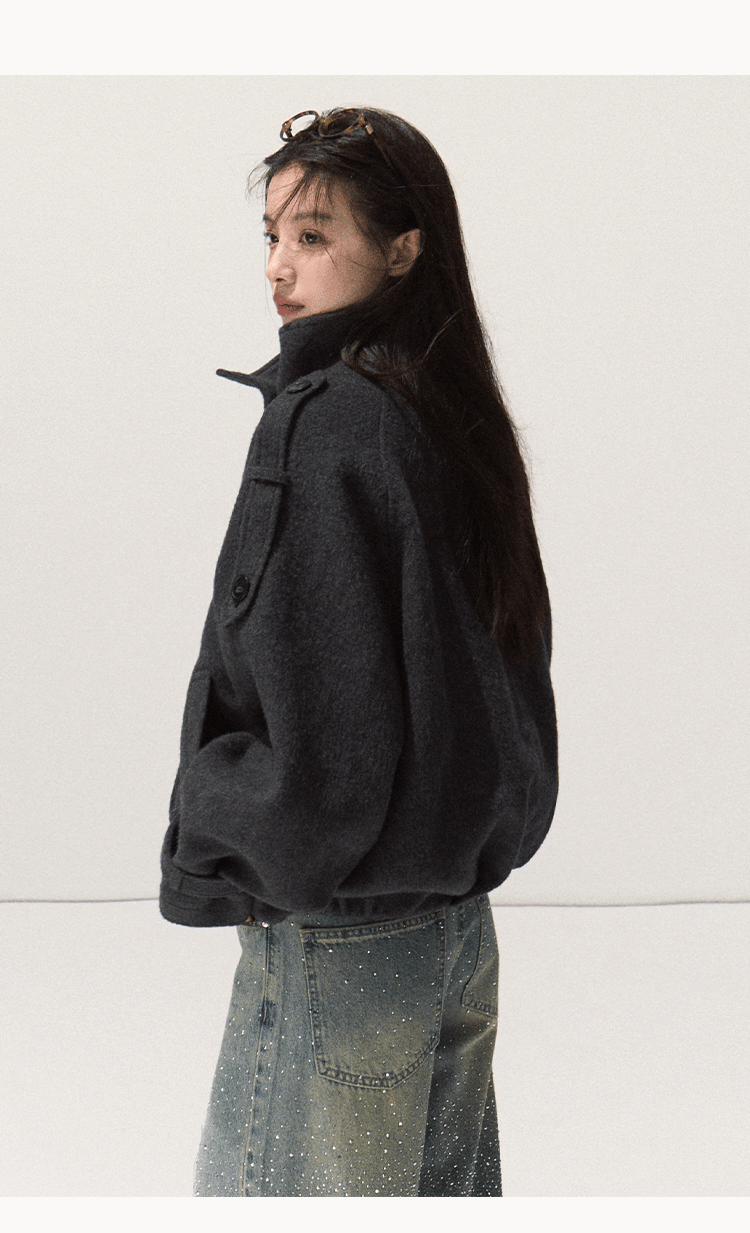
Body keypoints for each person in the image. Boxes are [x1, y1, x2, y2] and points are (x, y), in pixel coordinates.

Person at [159, 106, 558, 1198]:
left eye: (315, 235)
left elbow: (326, 720)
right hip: (452, 932)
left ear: (403, 248)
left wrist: (218, 824)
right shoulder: (449, 407)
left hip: (344, 940)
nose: (280, 266)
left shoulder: (329, 420)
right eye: (273, 235)